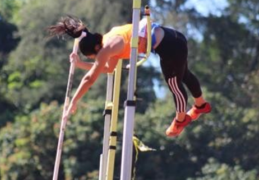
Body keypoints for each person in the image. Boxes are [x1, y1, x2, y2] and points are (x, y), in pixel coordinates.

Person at [47, 16, 211, 137]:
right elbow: (108, 69)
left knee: (174, 83)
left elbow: (89, 79)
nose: (96, 60)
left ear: (97, 48)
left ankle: (181, 119)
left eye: (93, 57)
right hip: (172, 39)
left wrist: (73, 102)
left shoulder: (107, 49)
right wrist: (79, 64)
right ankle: (200, 105)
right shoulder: (110, 41)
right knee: (185, 75)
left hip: (170, 45)